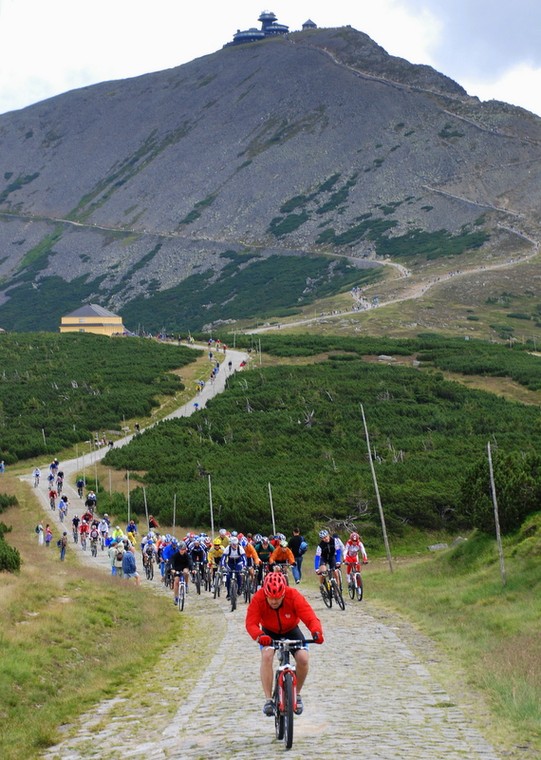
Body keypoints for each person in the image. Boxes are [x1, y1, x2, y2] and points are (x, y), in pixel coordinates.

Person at [245, 572, 324, 717]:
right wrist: (259, 635)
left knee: (303, 658)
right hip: (268, 633)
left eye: (278, 598)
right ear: (265, 594)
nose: (274, 601)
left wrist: (316, 631)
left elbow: (310, 616)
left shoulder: (293, 595)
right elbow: (251, 623)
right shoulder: (258, 598)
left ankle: (297, 694)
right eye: (271, 598)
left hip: (291, 630)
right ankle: (268, 699)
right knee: (267, 655)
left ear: (284, 593)